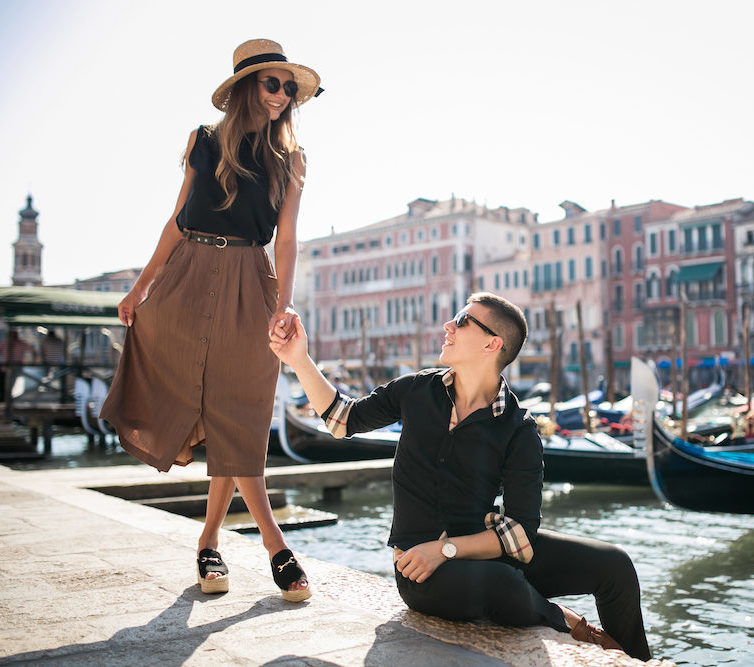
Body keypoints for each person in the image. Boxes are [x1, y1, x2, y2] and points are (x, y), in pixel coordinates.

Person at [269, 292, 651, 660]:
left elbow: (520, 531)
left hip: (472, 550)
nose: (448, 325)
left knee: (614, 565)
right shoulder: (417, 390)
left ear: (492, 345)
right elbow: (342, 419)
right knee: (500, 584)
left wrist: (446, 548)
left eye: (463, 320)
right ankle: (566, 621)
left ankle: (639, 661)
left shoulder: (519, 428)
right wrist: (299, 359)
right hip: (420, 571)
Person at [101, 39, 323, 601]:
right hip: (188, 274)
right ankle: (270, 544)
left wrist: (285, 302)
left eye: (290, 88)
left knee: (240, 411)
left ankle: (212, 539)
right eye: (274, 83)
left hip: (252, 281)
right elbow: (178, 219)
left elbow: (289, 236)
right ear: (248, 85)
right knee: (220, 410)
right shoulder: (206, 142)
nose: (282, 96)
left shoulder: (292, 158)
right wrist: (141, 284)